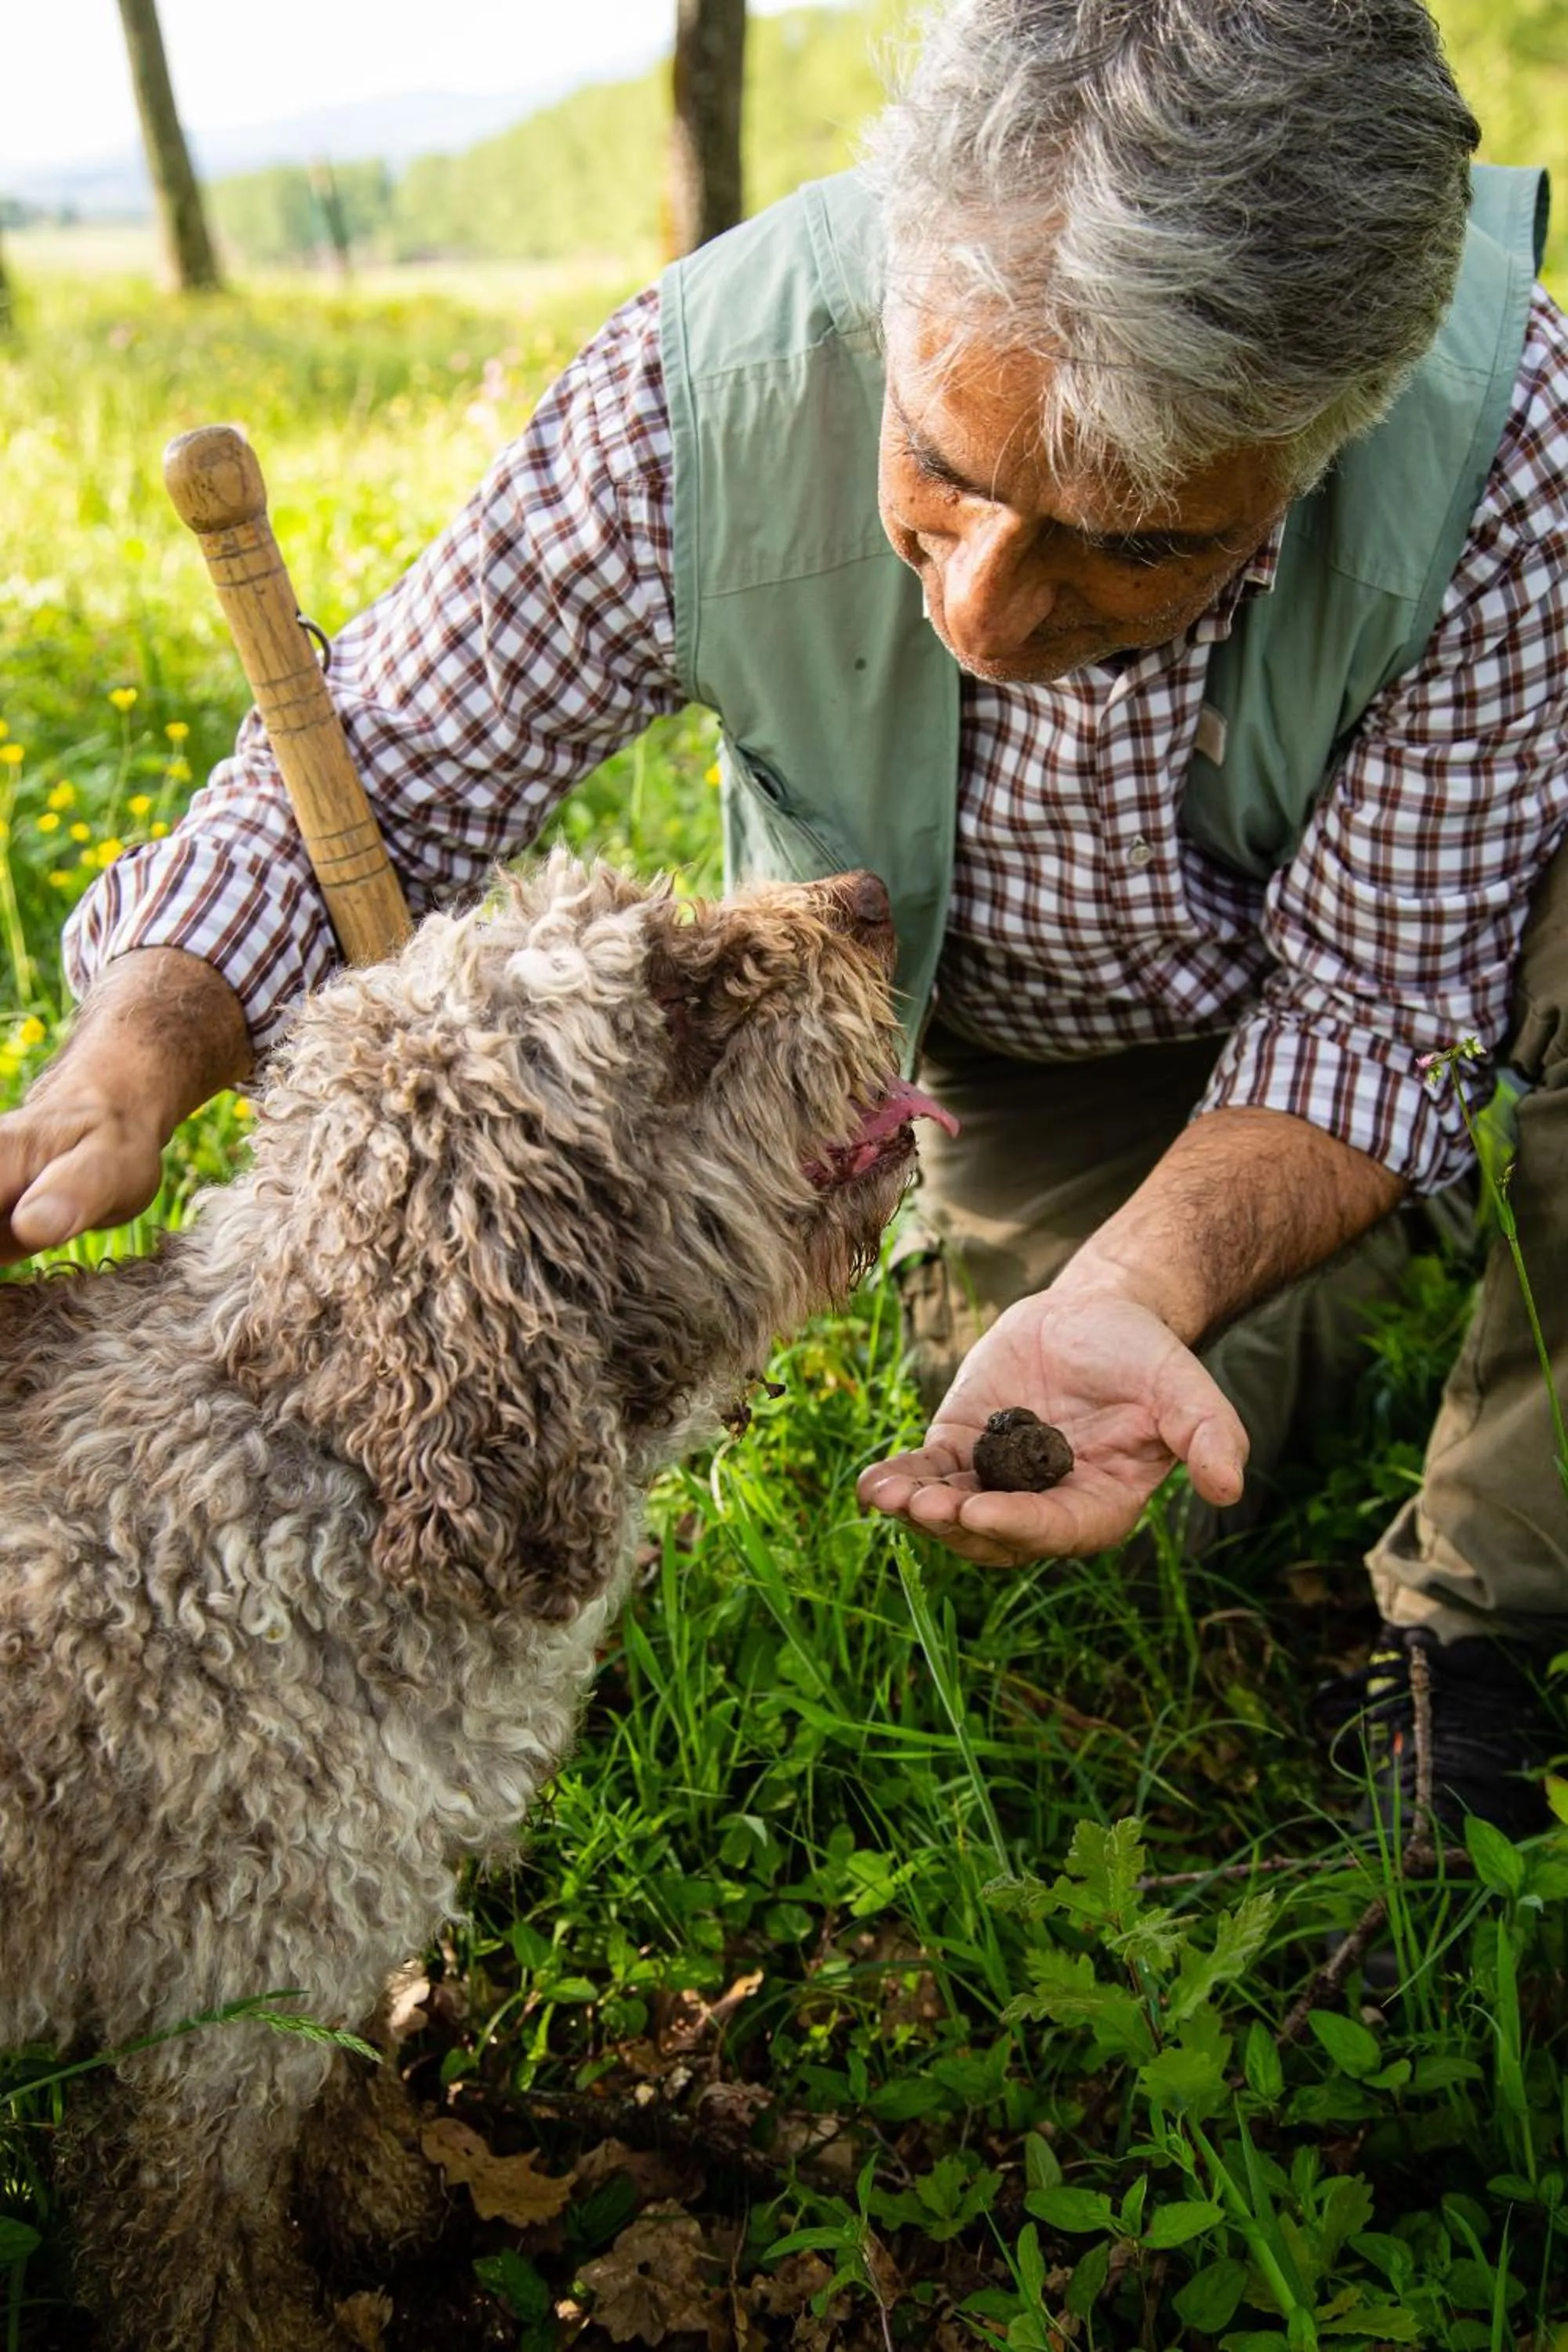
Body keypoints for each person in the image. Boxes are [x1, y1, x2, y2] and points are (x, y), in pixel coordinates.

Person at [3, 0, 1564, 1836]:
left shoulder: (1500, 458)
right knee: (1086, 1501)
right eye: (944, 474)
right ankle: (1355, 1231)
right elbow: (391, 776)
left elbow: (1371, 1013)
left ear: (1320, 436)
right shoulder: (714, 381)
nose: (983, 616)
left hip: (1330, 1002)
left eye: (1128, 543)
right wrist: (133, 1056)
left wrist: (1158, 1270)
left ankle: (1495, 1616)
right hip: (990, 1048)